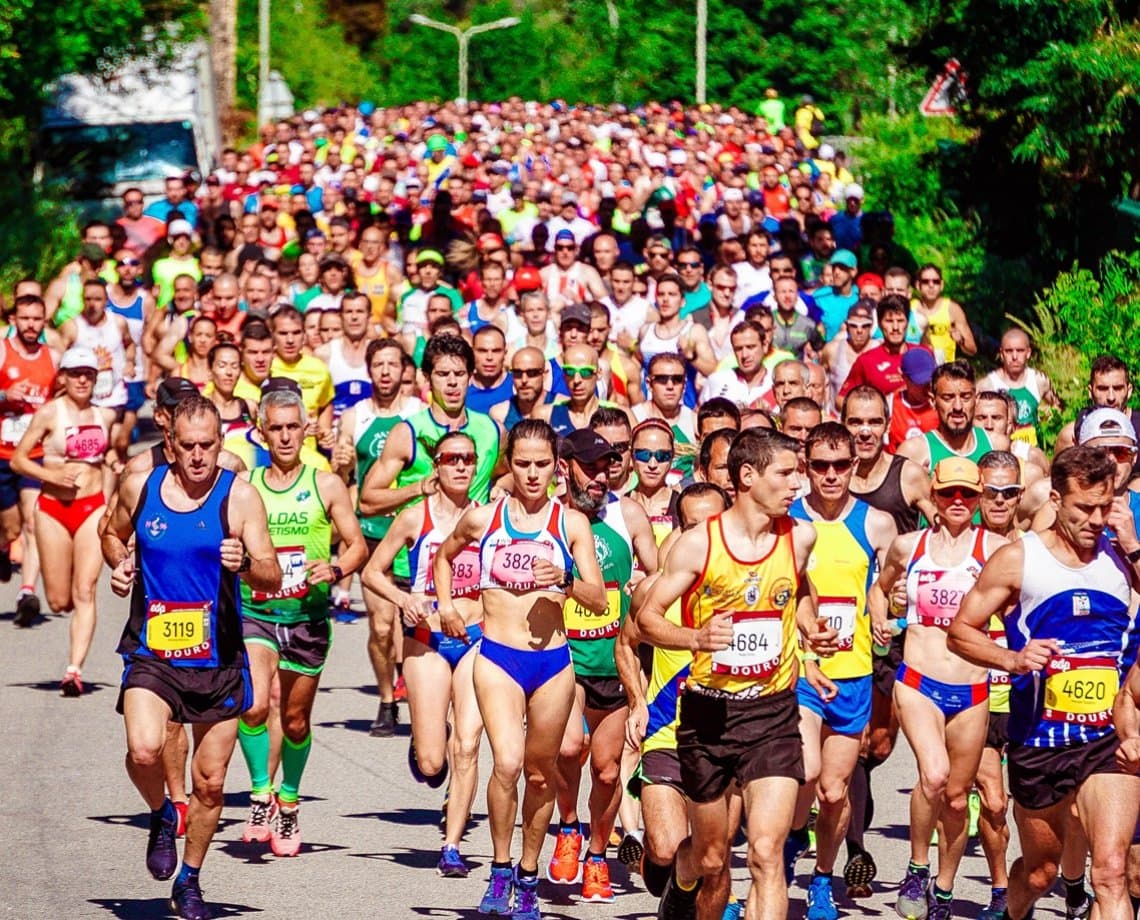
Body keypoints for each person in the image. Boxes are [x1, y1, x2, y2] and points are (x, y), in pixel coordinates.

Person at [638, 428, 838, 920]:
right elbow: (647, 618)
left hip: (771, 713)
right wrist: (695, 639)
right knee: (711, 857)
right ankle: (682, 878)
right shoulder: (698, 546)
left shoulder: (801, 536)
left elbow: (800, 583)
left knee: (768, 855)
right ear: (747, 476)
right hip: (709, 714)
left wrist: (809, 628)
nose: (800, 484)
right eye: (787, 473)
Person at [101, 395, 281, 920]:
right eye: (188, 446)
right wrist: (121, 566)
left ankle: (191, 879)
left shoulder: (240, 497)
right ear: (171, 446)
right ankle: (161, 813)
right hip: (153, 651)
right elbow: (112, 534)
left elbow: (271, 575)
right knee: (143, 750)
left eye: (208, 445)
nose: (199, 456)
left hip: (219, 657)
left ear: (220, 444)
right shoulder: (141, 485)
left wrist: (246, 562)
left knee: (211, 782)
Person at [949, 445, 1140, 920]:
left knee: (1111, 871)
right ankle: (1014, 913)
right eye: (1084, 508)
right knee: (1041, 872)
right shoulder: (1019, 560)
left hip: (1104, 740)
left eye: (1105, 506)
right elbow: (960, 632)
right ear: (1056, 500)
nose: (1096, 520)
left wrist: (1133, 543)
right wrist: (1012, 658)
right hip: (1039, 741)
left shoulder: (1120, 558)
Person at [433, 419, 606, 920]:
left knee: (541, 775)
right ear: (510, 462)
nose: (532, 474)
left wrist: (567, 578)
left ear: (557, 467)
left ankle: (529, 875)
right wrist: (446, 605)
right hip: (498, 657)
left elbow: (597, 600)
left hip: (553, 663)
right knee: (506, 763)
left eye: (543, 464)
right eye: (523, 463)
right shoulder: (483, 518)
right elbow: (444, 558)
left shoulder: (571, 524)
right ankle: (501, 867)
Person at [869, 457, 1005, 920]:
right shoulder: (910, 546)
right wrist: (882, 617)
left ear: (981, 496)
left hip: (972, 687)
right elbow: (878, 589)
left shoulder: (998, 550)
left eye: (969, 494)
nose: (959, 503)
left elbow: (1023, 607)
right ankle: (916, 867)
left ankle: (943, 889)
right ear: (935, 493)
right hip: (918, 680)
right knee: (933, 775)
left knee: (955, 797)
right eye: (949, 494)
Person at [235, 386, 366, 856]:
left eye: (294, 427)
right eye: (277, 428)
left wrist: (335, 569)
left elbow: (356, 544)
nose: (286, 437)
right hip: (257, 612)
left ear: (307, 427)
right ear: (262, 431)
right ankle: (259, 792)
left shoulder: (325, 483)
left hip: (307, 618)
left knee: (293, 720)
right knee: (252, 705)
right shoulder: (246, 484)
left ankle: (288, 801)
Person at [358, 335, 503, 736]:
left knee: (465, 708)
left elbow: (505, 472)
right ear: (426, 380)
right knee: (385, 631)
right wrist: (417, 488)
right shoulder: (408, 431)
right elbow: (368, 499)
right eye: (443, 375)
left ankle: (452, 756)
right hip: (413, 562)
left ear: (472, 378)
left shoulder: (490, 430)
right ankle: (392, 702)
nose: (452, 383)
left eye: (460, 374)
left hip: (471, 570)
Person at [361, 430, 486, 876]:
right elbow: (372, 572)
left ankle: (452, 846)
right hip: (426, 639)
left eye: (468, 458)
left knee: (468, 745)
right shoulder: (416, 517)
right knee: (435, 759)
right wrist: (403, 601)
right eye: (451, 458)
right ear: (436, 464)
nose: (460, 466)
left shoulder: (488, 517)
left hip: (477, 638)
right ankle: (426, 738)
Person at [786, 423, 897, 917]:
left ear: (856, 466)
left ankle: (821, 879)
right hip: (798, 672)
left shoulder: (876, 523)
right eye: (820, 466)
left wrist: (884, 615)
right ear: (806, 467)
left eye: (841, 465)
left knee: (833, 793)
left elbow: (889, 587)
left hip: (852, 673)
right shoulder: (785, 520)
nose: (830, 475)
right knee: (804, 773)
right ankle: (787, 838)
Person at [548, 429, 657, 903]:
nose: (600, 476)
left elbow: (657, 571)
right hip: (564, 659)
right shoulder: (549, 516)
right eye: (589, 467)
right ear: (564, 466)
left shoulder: (626, 512)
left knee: (609, 772)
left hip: (615, 660)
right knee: (570, 748)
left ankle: (596, 855)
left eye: (607, 466)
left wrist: (642, 581)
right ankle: (568, 826)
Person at [617, 483, 734, 905]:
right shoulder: (657, 591)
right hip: (668, 732)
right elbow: (626, 644)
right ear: (678, 531)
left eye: (714, 525)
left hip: (730, 739)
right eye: (692, 526)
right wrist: (636, 703)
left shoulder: (750, 589)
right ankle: (667, 867)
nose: (704, 537)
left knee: (712, 857)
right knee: (666, 846)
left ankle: (685, 889)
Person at [12, 346, 117, 695]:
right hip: (54, 508)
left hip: (92, 507)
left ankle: (74, 670)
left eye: (88, 373)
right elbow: (19, 460)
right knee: (60, 600)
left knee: (86, 590)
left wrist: (116, 471)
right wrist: (54, 478)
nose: (83, 379)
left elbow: (112, 455)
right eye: (76, 373)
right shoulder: (49, 414)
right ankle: (64, 601)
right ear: (64, 378)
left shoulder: (106, 416)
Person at [972, 450, 1023, 920]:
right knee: (992, 799)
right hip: (979, 691)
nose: (1001, 500)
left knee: (1039, 804)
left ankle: (1055, 877)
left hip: (1028, 691)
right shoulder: (960, 550)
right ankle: (1000, 888)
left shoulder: (1037, 550)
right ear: (977, 493)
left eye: (1010, 492)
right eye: (992, 492)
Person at [0, 294, 58, 624]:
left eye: (37, 319)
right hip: (1, 454)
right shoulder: (2, 352)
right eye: (25, 318)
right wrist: (5, 396)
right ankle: (4, 547)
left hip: (34, 456)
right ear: (14, 321)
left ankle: (28, 591)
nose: (31, 325)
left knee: (33, 521)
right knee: (9, 527)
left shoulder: (53, 358)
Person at [897, 360, 1009, 476]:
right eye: (948, 398)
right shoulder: (914, 452)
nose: (958, 407)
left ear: (976, 399)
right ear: (933, 401)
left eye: (965, 397)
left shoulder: (997, 446)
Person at [978, 328, 1059, 447]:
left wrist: (1046, 424)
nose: (1014, 356)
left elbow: (1057, 407)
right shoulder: (987, 385)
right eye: (1009, 351)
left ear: (1028, 353)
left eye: (1020, 351)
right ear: (1001, 353)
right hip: (998, 451)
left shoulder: (1039, 380)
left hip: (1032, 451)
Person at [909, 265, 976, 364]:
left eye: (935, 282)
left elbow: (972, 350)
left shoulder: (952, 309)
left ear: (942, 285)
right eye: (926, 282)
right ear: (918, 285)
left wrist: (960, 341)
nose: (931, 285)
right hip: (917, 368)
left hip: (945, 370)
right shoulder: (910, 308)